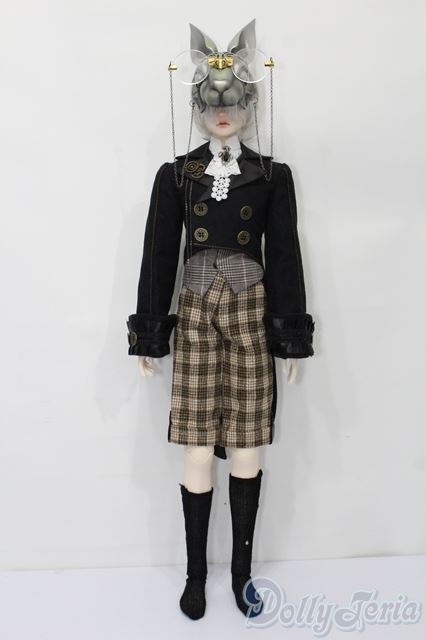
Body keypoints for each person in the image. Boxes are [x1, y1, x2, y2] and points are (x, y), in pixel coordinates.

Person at [127, 19, 315, 620]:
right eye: (212, 104)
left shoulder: (272, 176)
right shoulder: (176, 175)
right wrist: (150, 331)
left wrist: (290, 335)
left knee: (248, 444)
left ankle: (241, 574)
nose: (223, 113)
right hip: (195, 315)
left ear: (250, 104)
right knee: (196, 448)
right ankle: (194, 576)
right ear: (197, 108)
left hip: (252, 314)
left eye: (233, 102)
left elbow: (283, 255)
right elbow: (160, 252)